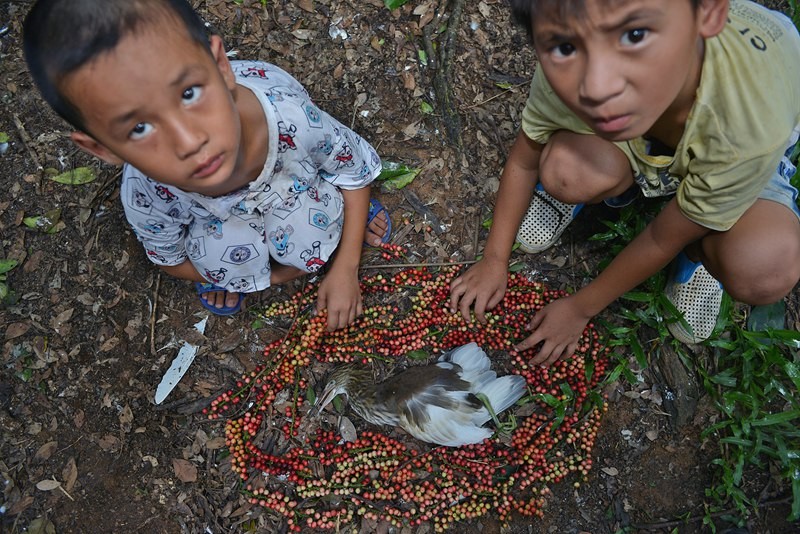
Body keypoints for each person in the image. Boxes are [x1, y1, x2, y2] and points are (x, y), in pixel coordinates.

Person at [450, 0, 800, 366]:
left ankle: (700, 250)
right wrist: (494, 258)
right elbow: (525, 159)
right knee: (566, 171)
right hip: (648, 124)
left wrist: (580, 308)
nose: (599, 87)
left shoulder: (750, 125)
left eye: (635, 35)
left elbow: (663, 236)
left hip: (732, 147)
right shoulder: (575, 41)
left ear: (709, 13)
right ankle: (621, 180)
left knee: (764, 270)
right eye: (565, 47)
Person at [23, 0, 391, 329]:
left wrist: (346, 266)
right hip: (222, 226)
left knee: (324, 216)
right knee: (220, 262)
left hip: (291, 177)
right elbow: (168, 256)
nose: (189, 141)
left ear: (221, 65)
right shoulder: (146, 191)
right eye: (139, 128)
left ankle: (339, 212)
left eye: (189, 93)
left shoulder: (293, 121)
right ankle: (238, 265)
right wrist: (261, 278)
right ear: (102, 148)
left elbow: (354, 171)